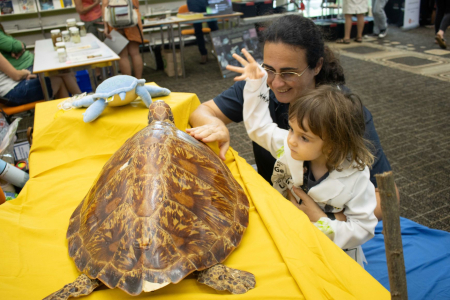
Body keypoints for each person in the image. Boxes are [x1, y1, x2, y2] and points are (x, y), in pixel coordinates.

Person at [187, 15, 398, 220]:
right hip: (273, 210)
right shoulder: (259, 85)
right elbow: (201, 112)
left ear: (317, 66)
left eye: (289, 73)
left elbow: (388, 198)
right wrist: (216, 125)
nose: (276, 83)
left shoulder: (342, 112)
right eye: (269, 68)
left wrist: (327, 221)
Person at [229, 50, 377, 265]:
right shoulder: (291, 147)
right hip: (290, 240)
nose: (291, 141)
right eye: (291, 129)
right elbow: (259, 128)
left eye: (304, 137)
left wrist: (320, 220)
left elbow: (363, 228)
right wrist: (256, 84)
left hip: (335, 256)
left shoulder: (356, 176)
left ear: (333, 144)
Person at [0, 24, 80, 105]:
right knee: (58, 78)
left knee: (59, 75)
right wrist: (25, 73)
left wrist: (22, 74)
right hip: (11, 93)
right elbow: (16, 75)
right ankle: (80, 102)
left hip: (11, 86)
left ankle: (73, 106)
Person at [102, 0, 144, 78]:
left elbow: (105, 4)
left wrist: (105, 26)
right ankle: (139, 81)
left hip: (115, 20)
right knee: (135, 53)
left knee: (122, 55)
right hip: (132, 19)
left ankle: (128, 83)